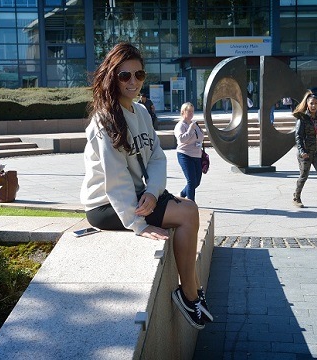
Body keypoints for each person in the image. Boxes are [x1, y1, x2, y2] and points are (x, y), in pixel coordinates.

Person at [79, 42, 212, 330]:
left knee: (189, 207)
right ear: (112, 77)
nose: (133, 81)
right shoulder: (104, 121)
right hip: (104, 205)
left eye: (139, 75)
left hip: (136, 194)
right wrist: (138, 224)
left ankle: (193, 290)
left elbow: (157, 158)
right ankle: (189, 296)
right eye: (124, 75)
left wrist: (153, 192)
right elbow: (115, 180)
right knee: (187, 213)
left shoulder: (139, 113)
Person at [174, 102, 204, 202]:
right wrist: (190, 130)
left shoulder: (194, 124)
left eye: (192, 111)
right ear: (183, 112)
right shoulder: (180, 125)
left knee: (197, 182)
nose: (191, 113)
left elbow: (199, 137)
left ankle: (182, 194)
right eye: (189, 111)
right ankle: (191, 204)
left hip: (197, 155)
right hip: (185, 154)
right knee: (191, 181)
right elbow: (181, 140)